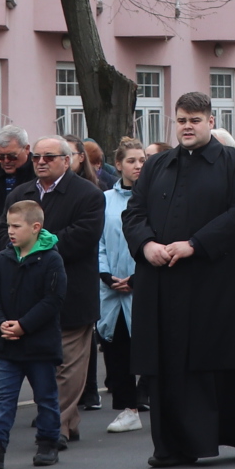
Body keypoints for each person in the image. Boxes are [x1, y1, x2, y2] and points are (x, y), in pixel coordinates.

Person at [123, 92, 235, 467]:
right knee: (168, 364)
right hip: (162, 282)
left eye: (195, 120)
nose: (187, 127)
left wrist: (194, 244)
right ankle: (172, 446)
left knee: (215, 362)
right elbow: (134, 212)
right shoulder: (157, 164)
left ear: (211, 122)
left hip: (214, 283)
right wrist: (146, 245)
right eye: (181, 120)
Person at [9, 136, 105, 443]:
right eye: (36, 157)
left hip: (73, 293)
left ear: (67, 160)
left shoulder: (88, 194)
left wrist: (34, 248)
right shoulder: (22, 193)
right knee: (42, 364)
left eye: (49, 157)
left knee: (67, 365)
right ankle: (66, 422)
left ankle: (57, 428)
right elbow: (3, 232)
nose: (40, 162)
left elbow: (81, 237)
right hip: (29, 294)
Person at [0, 199, 67, 469]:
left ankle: (48, 442)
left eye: (16, 226)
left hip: (40, 345)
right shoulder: (3, 258)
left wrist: (24, 325)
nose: (10, 231)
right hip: (7, 345)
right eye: (8, 225)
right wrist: (0, 323)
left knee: (45, 397)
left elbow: (52, 301)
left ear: (35, 227)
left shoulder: (51, 260)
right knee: (4, 397)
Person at [97, 144, 146, 432]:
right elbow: (99, 241)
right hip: (112, 287)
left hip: (144, 284)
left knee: (151, 347)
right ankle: (128, 408)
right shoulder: (105, 200)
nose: (138, 166)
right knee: (117, 349)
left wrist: (138, 277)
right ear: (118, 165)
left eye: (142, 160)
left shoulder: (155, 198)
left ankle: (155, 398)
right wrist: (106, 274)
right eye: (131, 161)